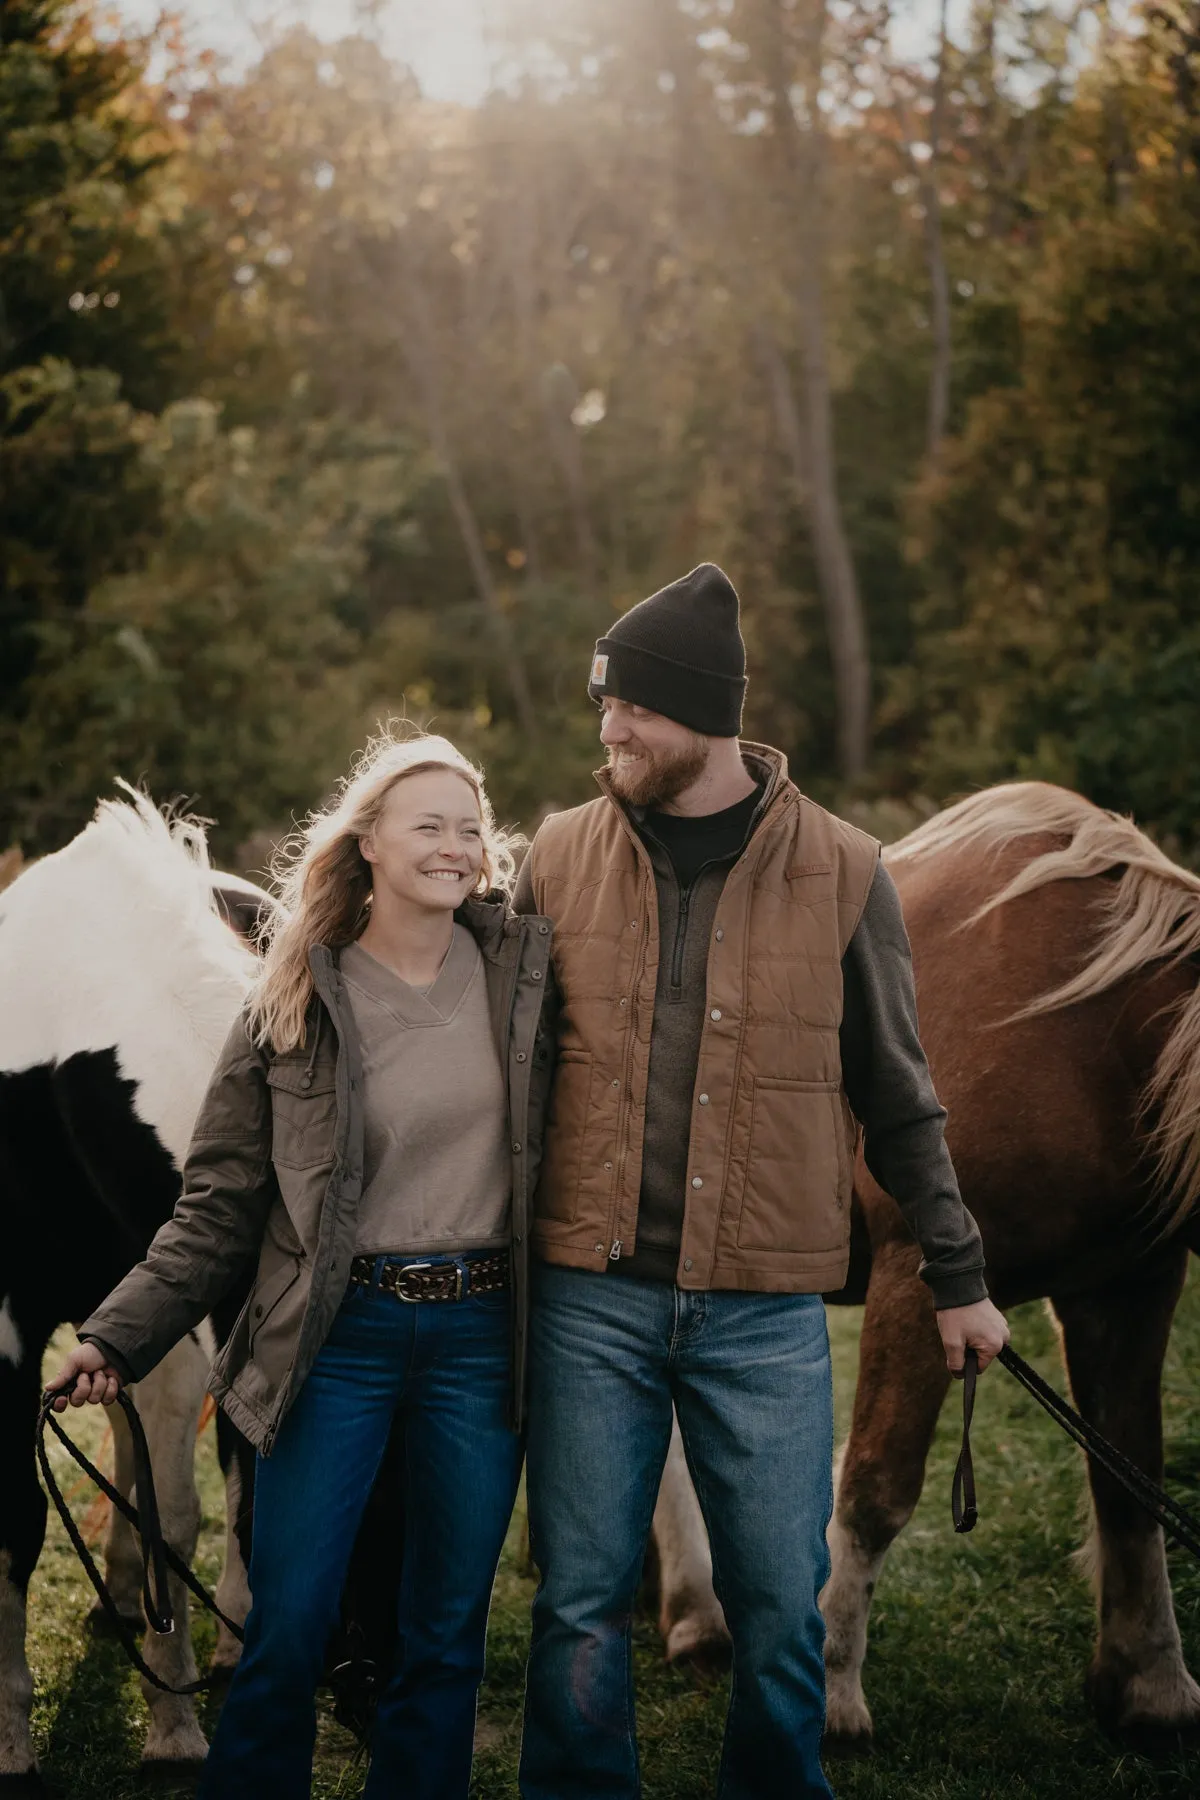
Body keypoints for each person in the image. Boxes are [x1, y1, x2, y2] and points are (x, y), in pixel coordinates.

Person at [512, 564, 1010, 1800]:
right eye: (602, 705)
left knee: (784, 1606)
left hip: (764, 1313)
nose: (609, 729)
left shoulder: (845, 871)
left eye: (631, 707)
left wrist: (959, 1278)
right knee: (579, 1604)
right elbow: (499, 1080)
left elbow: (901, 1096)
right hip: (590, 1301)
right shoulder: (556, 860)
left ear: (707, 715)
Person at [50, 730, 554, 1800]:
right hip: (337, 1338)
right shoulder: (291, 1001)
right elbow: (217, 1204)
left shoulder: (528, 977)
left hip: (479, 1342)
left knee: (445, 1636)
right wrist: (115, 1333)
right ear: (366, 842)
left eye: (471, 827)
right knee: (287, 1625)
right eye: (429, 825)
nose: (457, 846)